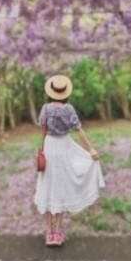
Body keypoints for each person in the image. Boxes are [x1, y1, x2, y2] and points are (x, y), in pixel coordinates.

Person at [34, 74, 105, 247]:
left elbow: (43, 131)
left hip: (50, 147)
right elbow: (79, 131)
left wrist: (41, 150)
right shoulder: (69, 109)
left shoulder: (45, 108)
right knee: (60, 187)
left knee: (49, 187)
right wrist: (91, 150)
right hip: (64, 147)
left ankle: (48, 233)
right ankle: (57, 233)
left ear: (51, 92)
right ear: (66, 93)